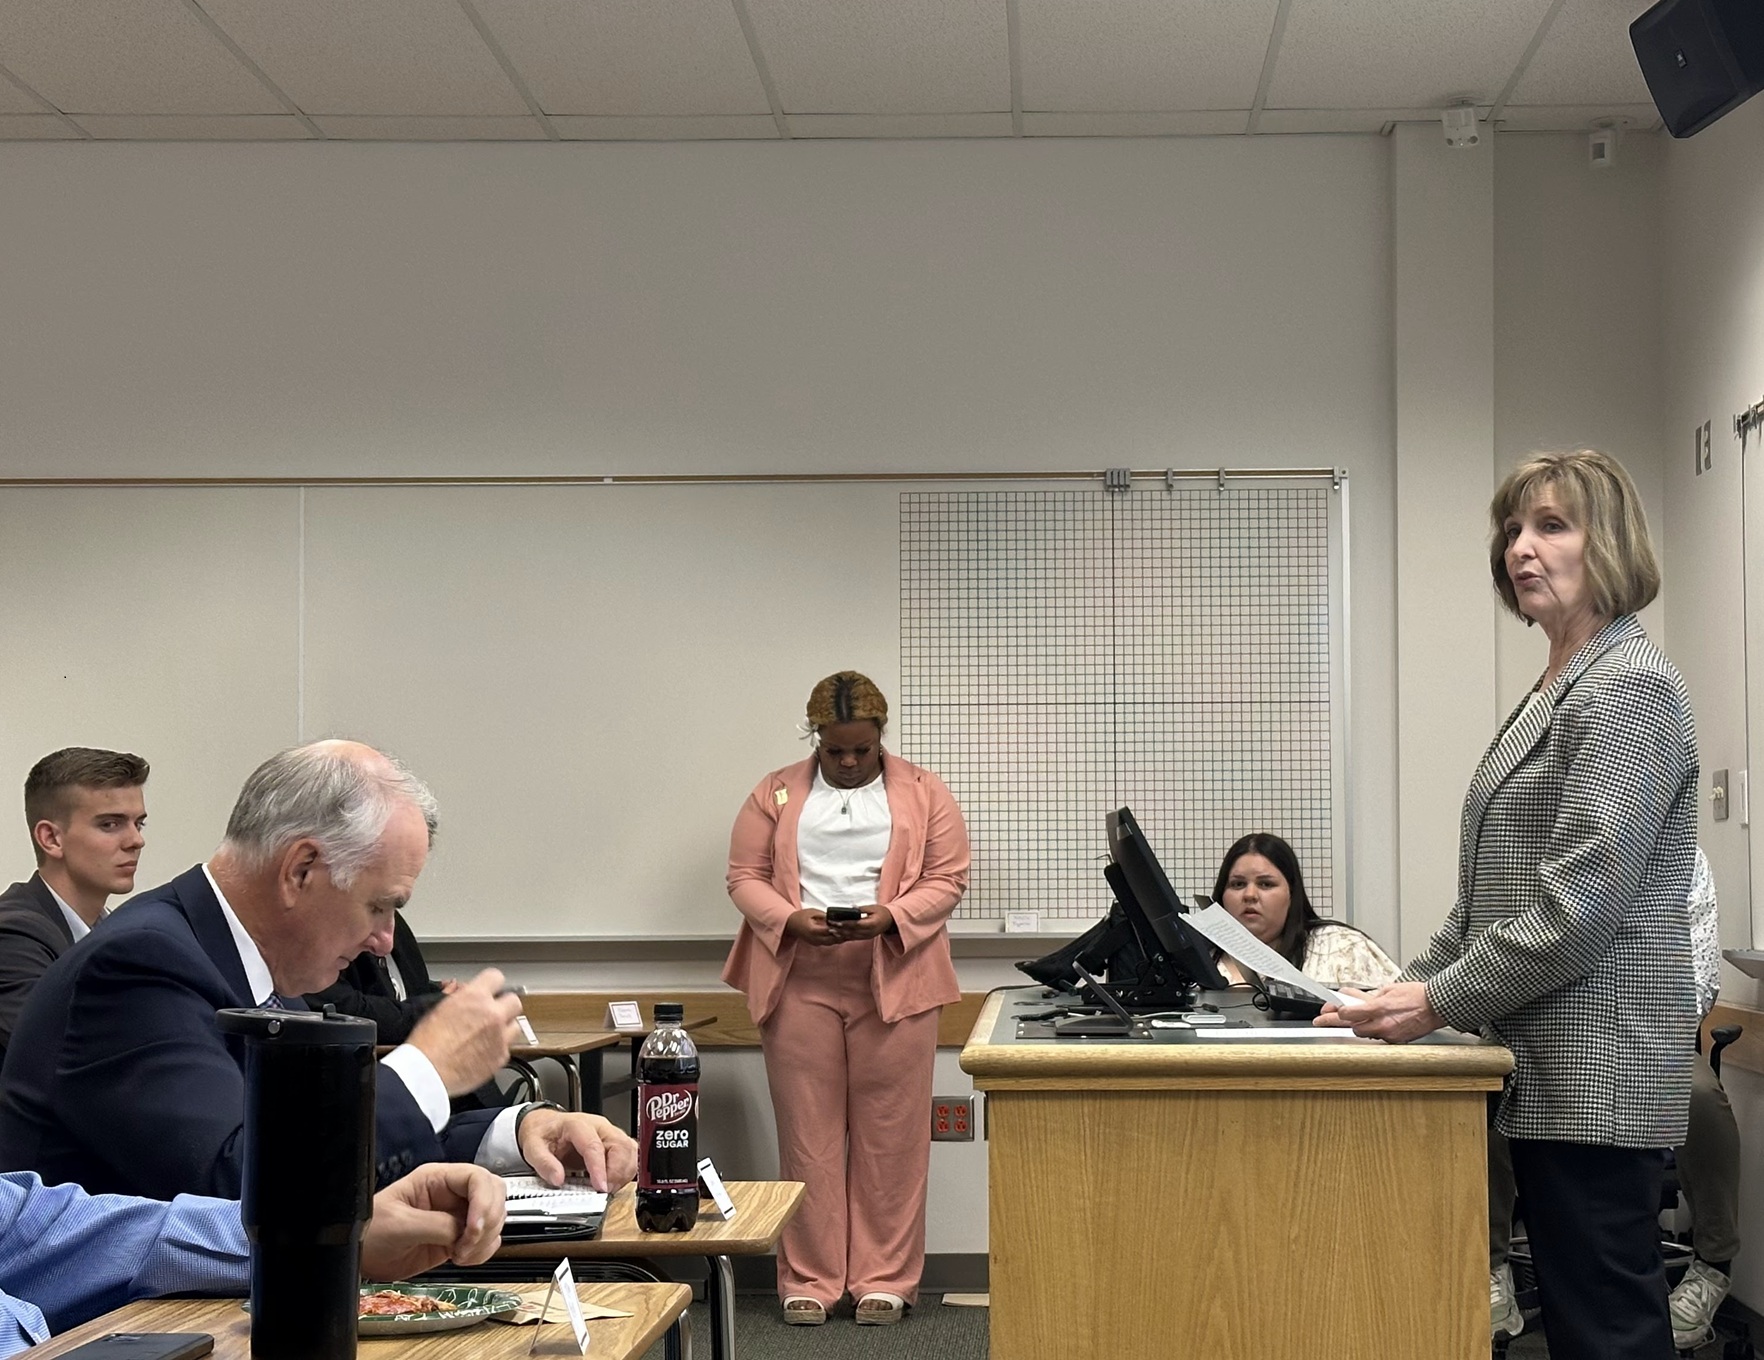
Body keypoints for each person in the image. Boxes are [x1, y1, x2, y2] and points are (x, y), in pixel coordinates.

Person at [1320, 449, 1698, 1360]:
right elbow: (1488, 898)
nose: (1520, 548)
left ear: (1607, 544)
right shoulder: (1560, 683)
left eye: (1551, 526)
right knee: (1581, 1323)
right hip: (1547, 1061)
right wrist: (1396, 992)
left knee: (1607, 1328)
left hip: (1596, 1065)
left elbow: (1580, 907)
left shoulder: (1624, 686)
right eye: (1514, 530)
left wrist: (1437, 1002)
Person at [0, 740, 636, 1203]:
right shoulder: (140, 965)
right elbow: (241, 1184)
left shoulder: (238, 955)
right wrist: (428, 1068)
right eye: (378, 905)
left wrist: (520, 1129)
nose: (385, 942)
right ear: (300, 870)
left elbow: (324, 1138)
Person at [724, 671, 970, 1327]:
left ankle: (885, 1279)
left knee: (893, 1138)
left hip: (897, 975)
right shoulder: (773, 792)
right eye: (837, 751)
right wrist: (786, 919)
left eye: (862, 750)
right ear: (818, 741)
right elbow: (744, 876)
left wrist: (892, 916)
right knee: (808, 1136)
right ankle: (810, 1277)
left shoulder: (924, 792)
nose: (850, 762)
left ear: (880, 737)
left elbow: (948, 879)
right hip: (800, 977)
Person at [1486, 847, 1744, 1347]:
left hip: (1646, 1035)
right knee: (1487, 1092)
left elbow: (1699, 979)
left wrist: (1618, 1039)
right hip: (1538, 1034)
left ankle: (1714, 1263)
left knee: (1701, 1097)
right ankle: (1490, 1266)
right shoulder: (1528, 844)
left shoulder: (1683, 861)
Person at [0, 1161, 506, 1357]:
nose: (385, 941)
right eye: (377, 917)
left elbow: (51, 1226)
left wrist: (335, 1237)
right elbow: (227, 1155)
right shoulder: (147, 957)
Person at [0, 749, 149, 1062]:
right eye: (110, 824)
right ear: (51, 839)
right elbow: (62, 1057)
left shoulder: (120, 934)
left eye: (139, 824)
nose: (136, 840)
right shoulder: (12, 934)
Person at [305, 909, 507, 1113]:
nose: (387, 943)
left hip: (444, 1096)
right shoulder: (313, 937)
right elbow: (347, 1009)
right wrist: (442, 1006)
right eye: (376, 908)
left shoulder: (392, 919)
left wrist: (446, 995)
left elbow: (406, 991)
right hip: (372, 1095)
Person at [1210, 832, 1398, 990]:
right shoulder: (1200, 958)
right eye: (1238, 884)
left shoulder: (1343, 948)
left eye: (1265, 884)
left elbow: (1399, 1015)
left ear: (1291, 893)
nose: (1250, 895)